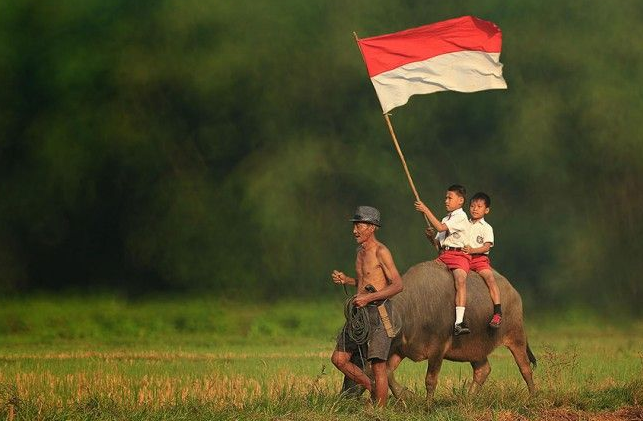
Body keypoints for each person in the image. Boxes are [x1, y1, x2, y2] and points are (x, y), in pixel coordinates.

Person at [330, 206, 403, 407]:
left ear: (371, 227)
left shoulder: (381, 251)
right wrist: (347, 280)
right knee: (339, 359)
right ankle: (370, 386)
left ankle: (379, 413)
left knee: (379, 365)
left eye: (359, 226)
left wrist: (369, 299)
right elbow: (366, 281)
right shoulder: (360, 252)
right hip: (358, 314)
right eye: (354, 226)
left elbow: (397, 284)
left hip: (379, 313)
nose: (354, 230)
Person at [414, 185, 472, 336]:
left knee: (460, 279)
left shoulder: (461, 216)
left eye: (449, 198)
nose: (446, 201)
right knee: (425, 274)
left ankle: (459, 322)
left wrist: (425, 209)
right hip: (444, 256)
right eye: (446, 197)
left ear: (460, 201)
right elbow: (438, 246)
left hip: (459, 257)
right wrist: (430, 238)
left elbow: (440, 228)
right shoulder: (446, 218)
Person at [463, 192, 502, 328]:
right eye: (472, 206)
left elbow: (486, 246)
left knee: (490, 278)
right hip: (464, 258)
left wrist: (472, 250)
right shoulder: (464, 224)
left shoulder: (487, 228)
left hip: (479, 259)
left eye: (479, 206)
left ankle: (497, 312)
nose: (475, 209)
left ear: (486, 210)